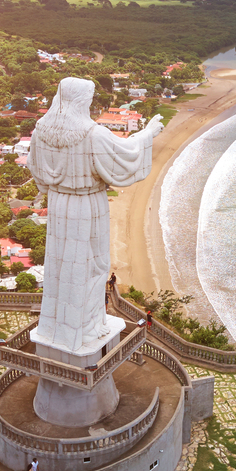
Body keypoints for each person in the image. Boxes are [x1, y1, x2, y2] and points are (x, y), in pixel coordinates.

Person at [27, 78, 163, 352]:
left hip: (58, 205)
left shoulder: (39, 131)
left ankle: (57, 328)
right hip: (88, 205)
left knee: (59, 268)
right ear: (80, 101)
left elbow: (36, 170)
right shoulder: (91, 133)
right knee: (93, 266)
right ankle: (87, 327)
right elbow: (125, 154)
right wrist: (149, 133)